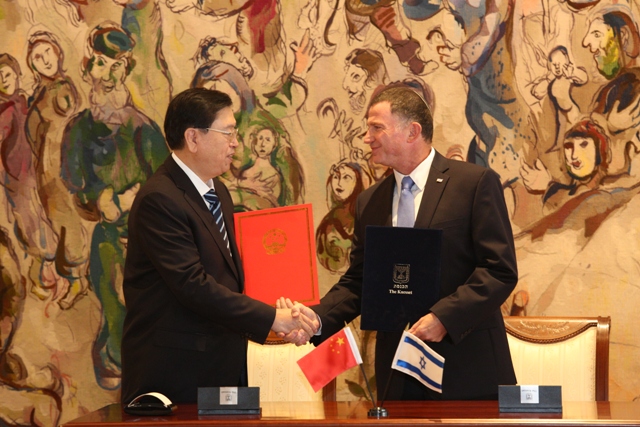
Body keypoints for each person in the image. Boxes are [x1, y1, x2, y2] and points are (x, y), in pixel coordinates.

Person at [283, 84, 518, 400]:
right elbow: (361, 280)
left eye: (376, 128)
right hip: (398, 373)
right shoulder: (370, 201)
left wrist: (444, 318)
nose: (367, 138)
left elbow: (498, 270)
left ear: (413, 131)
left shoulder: (473, 184)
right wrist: (319, 316)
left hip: (465, 365)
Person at [120, 88, 317, 404]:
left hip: (222, 366)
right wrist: (272, 318)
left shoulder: (218, 192)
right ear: (193, 138)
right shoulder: (160, 199)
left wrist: (279, 309)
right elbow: (193, 285)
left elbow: (227, 278)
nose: (236, 143)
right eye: (227, 132)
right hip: (177, 375)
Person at [60, 22, 169, 388]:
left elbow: (166, 180)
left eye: (116, 66)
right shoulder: (78, 128)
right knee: (113, 296)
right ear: (89, 68)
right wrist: (102, 198)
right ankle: (116, 355)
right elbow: (75, 182)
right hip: (108, 234)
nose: (107, 75)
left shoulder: (143, 127)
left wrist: (134, 197)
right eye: (101, 65)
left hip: (146, 233)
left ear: (126, 70)